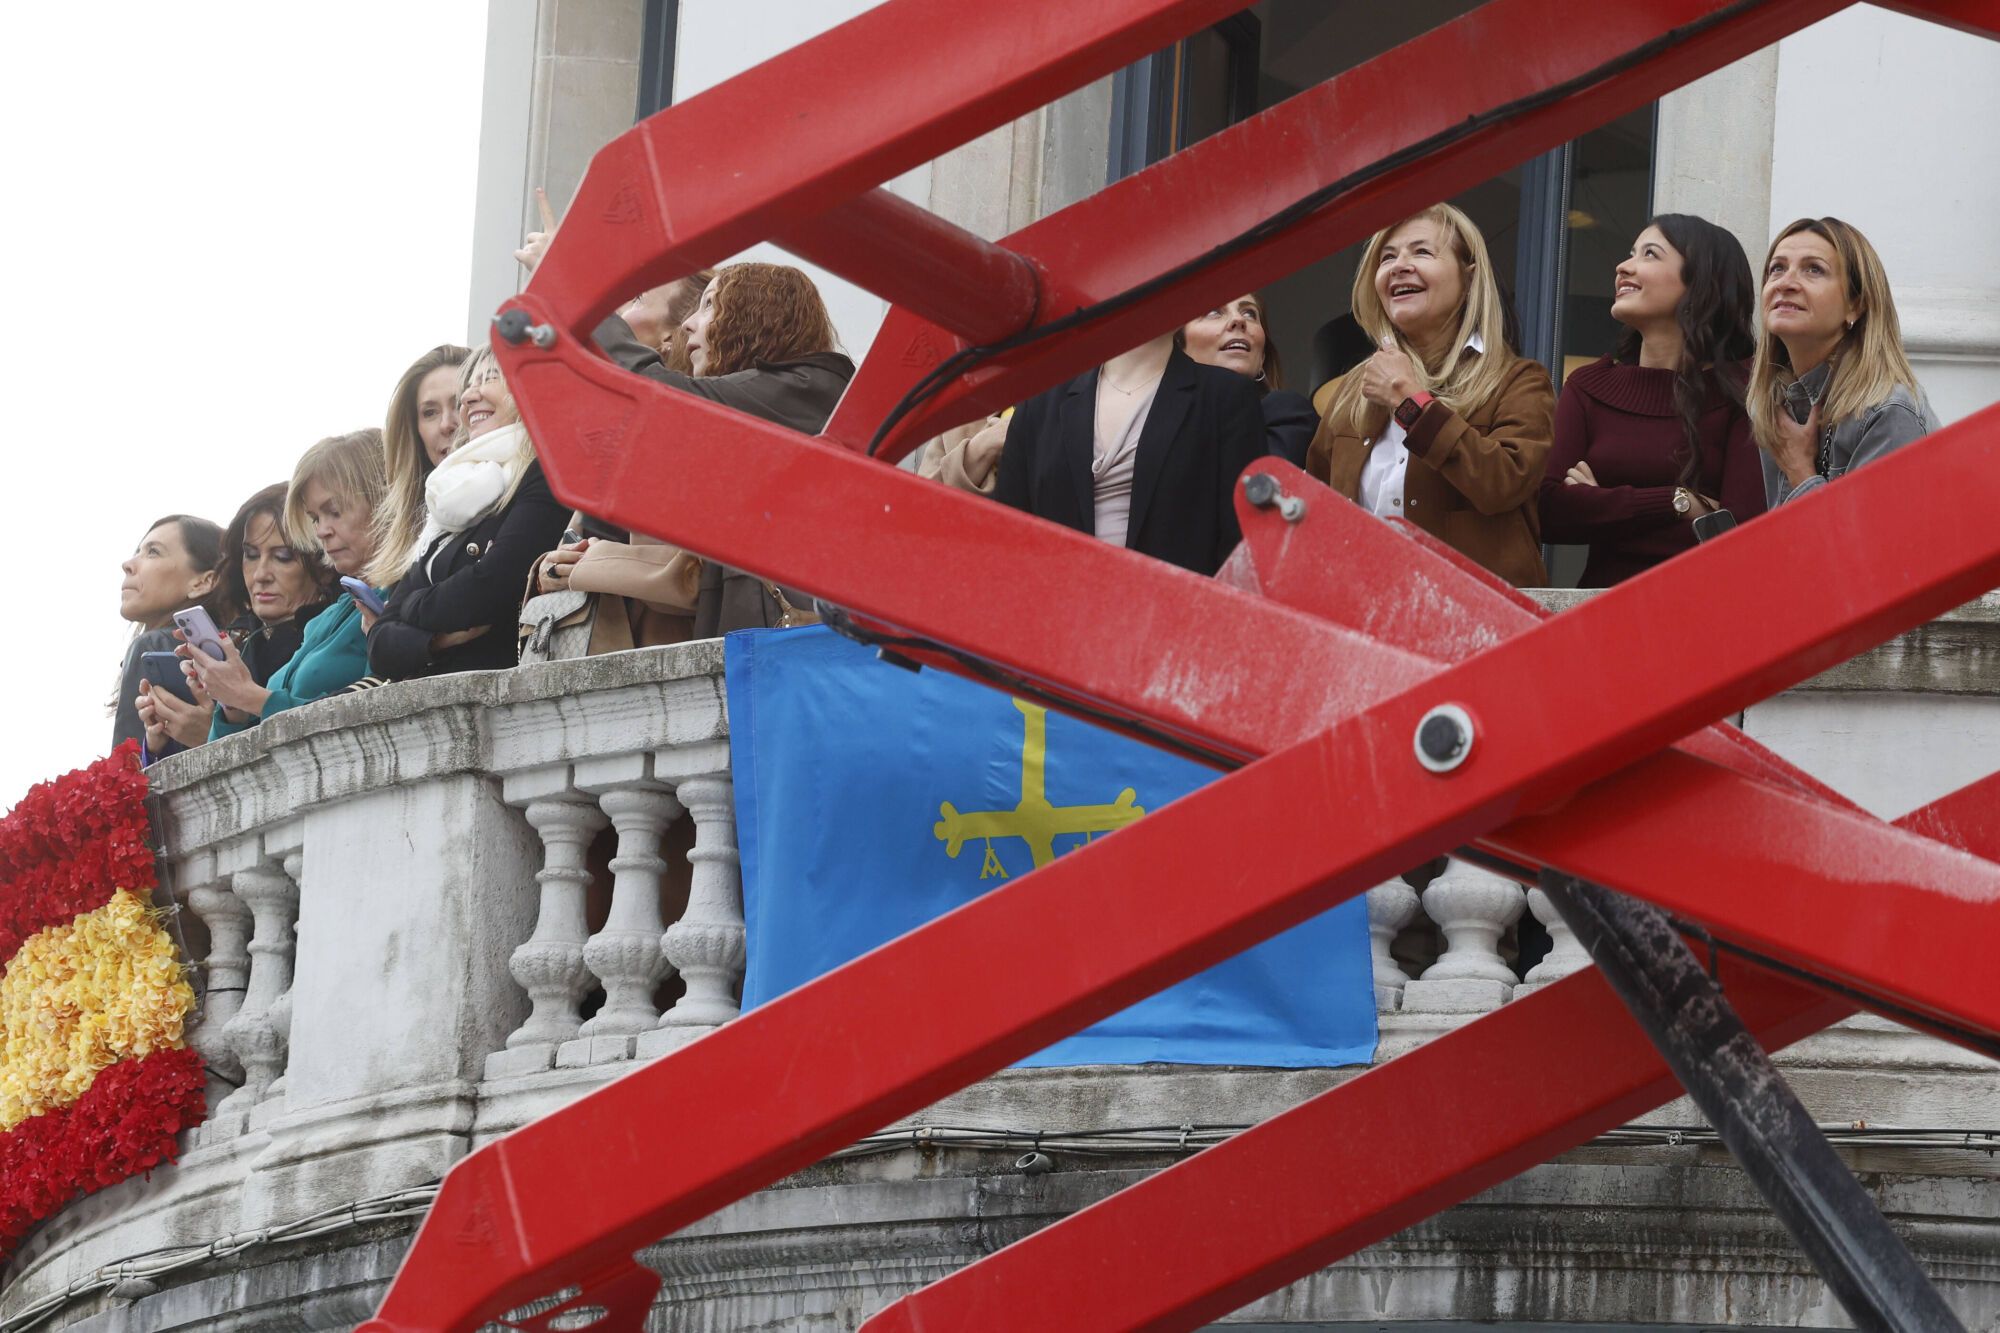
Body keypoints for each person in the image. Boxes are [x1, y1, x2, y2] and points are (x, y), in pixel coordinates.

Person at [541, 261, 854, 636]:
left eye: (710, 305)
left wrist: (579, 294)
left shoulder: (808, 388)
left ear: (757, 315)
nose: (690, 322)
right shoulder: (771, 402)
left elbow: (651, 393)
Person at [1307, 204, 1555, 587]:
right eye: (1387, 257)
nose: (1399, 265)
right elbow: (1317, 511)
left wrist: (1411, 402)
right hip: (1366, 620)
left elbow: (1502, 485)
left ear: (1469, 278)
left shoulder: (1519, 381)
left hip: (1478, 626)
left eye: (1421, 252)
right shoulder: (1353, 391)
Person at [1539, 215, 1767, 586]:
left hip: (1707, 613)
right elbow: (1548, 513)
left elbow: (1739, 533)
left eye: (1650, 254)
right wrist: (1679, 503)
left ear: (1700, 281)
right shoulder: (1588, 386)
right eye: (1632, 253)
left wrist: (1603, 507)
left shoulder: (1745, 392)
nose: (1623, 266)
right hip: (1601, 613)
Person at [991, 330, 1266, 577]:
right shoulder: (1040, 403)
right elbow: (1009, 540)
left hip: (1177, 619)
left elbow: (1239, 548)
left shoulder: (1226, 398)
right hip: (1055, 617)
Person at [368, 349, 571, 677]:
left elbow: (491, 587)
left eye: (490, 379)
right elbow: (379, 645)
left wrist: (412, 605)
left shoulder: (545, 473)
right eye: (470, 385)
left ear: (530, 387)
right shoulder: (454, 493)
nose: (469, 396)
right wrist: (435, 641)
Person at [199, 432, 388, 738]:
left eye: (334, 512)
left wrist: (251, 696)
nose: (322, 531)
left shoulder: (404, 595)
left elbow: (376, 717)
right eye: (315, 518)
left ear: (383, 503)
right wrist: (233, 705)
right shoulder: (327, 619)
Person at [1749, 216, 1935, 506]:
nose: (1785, 283)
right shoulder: (1773, 403)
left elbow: (1874, 546)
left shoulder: (1888, 411)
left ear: (1856, 304)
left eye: (1814, 269)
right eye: (1777, 269)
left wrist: (1801, 471)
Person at [139, 484, 337, 755]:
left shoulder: (337, 636)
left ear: (323, 564)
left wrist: (211, 733)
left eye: (283, 557)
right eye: (251, 555)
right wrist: (159, 741)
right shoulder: (232, 643)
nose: (260, 574)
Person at [111, 515, 229, 752]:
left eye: (153, 552)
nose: (128, 564)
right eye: (138, 551)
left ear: (203, 582)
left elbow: (126, 776)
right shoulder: (223, 652)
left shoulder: (153, 645)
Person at [366, 345, 470, 590]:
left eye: (460, 404)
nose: (447, 424)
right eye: (430, 412)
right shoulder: (410, 532)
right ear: (416, 431)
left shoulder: (524, 498)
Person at [1180, 293, 1319, 467]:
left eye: (1249, 313)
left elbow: (1256, 486)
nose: (1239, 320)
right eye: (1213, 312)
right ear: (1178, 351)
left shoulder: (1288, 414)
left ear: (1262, 357)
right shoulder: (1155, 425)